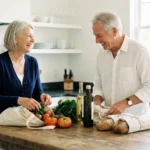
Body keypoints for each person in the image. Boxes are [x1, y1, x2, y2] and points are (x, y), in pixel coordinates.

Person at [92, 11, 150, 133]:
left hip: (136, 122)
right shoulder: (101, 54)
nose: (96, 41)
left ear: (114, 31)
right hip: (108, 120)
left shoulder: (139, 51)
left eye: (99, 36)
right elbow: (98, 84)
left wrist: (126, 102)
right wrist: (97, 101)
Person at [0, 20, 52, 113]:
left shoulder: (33, 62)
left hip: (26, 119)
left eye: (33, 36)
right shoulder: (1, 62)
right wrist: (19, 100)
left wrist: (42, 96)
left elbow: (37, 92)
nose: (33, 40)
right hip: (4, 122)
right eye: (29, 36)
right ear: (15, 38)